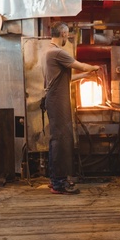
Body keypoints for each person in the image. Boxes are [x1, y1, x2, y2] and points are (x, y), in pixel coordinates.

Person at [43, 21, 100, 195]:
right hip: (57, 101)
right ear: (63, 34)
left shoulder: (48, 52)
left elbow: (66, 78)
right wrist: (94, 67)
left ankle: (55, 179)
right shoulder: (57, 52)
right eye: (67, 35)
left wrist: (85, 75)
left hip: (55, 99)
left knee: (57, 139)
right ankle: (59, 183)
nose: (67, 38)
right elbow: (81, 65)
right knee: (61, 140)